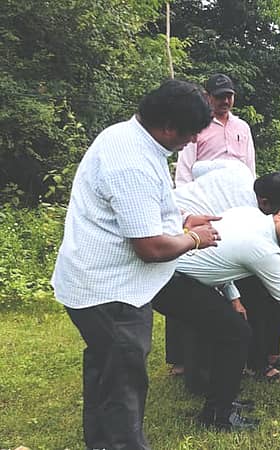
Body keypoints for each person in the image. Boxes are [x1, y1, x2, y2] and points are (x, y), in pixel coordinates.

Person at [51, 80, 220, 450]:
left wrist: (182, 221)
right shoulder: (132, 162)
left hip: (98, 286)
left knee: (106, 372)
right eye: (190, 133)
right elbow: (150, 246)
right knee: (123, 384)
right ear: (169, 126)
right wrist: (194, 239)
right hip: (111, 294)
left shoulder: (127, 137)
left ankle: (100, 443)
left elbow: (142, 214)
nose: (192, 142)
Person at [152, 196, 280, 431]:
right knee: (237, 334)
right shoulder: (263, 249)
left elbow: (220, 257)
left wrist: (232, 296)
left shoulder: (250, 215)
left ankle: (221, 401)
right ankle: (217, 415)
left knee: (231, 331)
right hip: (170, 282)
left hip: (182, 277)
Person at [165, 163, 280, 377]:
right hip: (178, 234)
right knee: (216, 314)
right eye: (279, 213)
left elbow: (198, 167)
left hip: (187, 228)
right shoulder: (245, 211)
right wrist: (234, 297)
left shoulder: (240, 172)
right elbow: (220, 258)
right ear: (266, 203)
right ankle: (218, 371)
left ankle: (246, 362)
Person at [175, 73, 255, 186]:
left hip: (238, 190)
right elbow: (185, 167)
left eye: (229, 96)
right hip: (206, 192)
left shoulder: (242, 127)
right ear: (207, 96)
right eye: (220, 97)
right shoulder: (196, 125)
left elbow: (250, 166)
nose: (226, 101)